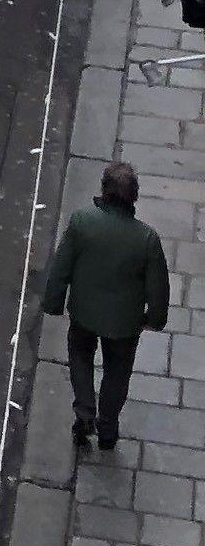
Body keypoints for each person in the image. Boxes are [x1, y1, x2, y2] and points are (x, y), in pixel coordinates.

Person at [42, 161, 171, 452]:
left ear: (104, 189)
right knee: (117, 372)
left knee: (81, 357)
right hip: (125, 324)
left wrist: (54, 302)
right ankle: (108, 427)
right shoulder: (146, 238)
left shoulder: (81, 222)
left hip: (84, 315)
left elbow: (61, 268)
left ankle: (85, 412)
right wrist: (155, 319)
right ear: (133, 197)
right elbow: (158, 288)